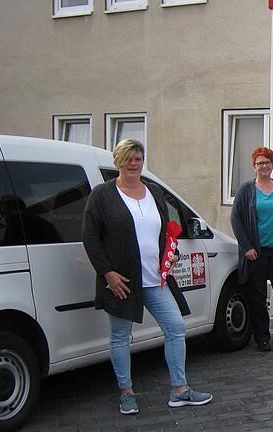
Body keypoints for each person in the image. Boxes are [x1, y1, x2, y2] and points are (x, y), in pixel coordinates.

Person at [82, 139, 212, 415]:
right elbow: (90, 238)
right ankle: (126, 392)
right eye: (128, 158)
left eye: (138, 158)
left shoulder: (153, 191)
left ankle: (180, 390)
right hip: (122, 281)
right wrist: (108, 273)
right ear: (118, 161)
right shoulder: (102, 195)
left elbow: (167, 231)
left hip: (156, 278)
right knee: (120, 336)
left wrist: (170, 254)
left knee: (176, 327)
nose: (134, 163)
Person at [230, 147, 273, 352]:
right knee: (257, 296)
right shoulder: (246, 190)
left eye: (267, 162)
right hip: (256, 254)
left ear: (272, 164)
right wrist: (247, 247)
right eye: (260, 163)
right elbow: (236, 219)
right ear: (254, 166)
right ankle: (262, 337)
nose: (264, 166)